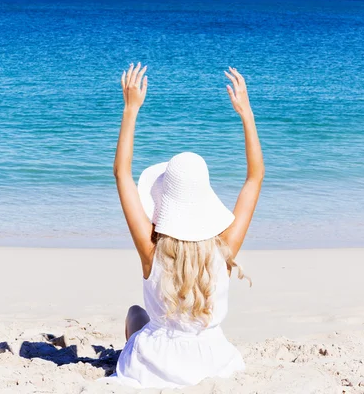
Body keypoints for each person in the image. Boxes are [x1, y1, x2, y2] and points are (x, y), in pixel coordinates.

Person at [110, 62, 264, 388]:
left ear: (164, 203)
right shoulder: (225, 250)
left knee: (135, 313)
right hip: (211, 360)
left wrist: (131, 108)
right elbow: (254, 178)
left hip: (152, 364)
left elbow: (122, 173)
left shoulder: (151, 251)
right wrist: (246, 114)